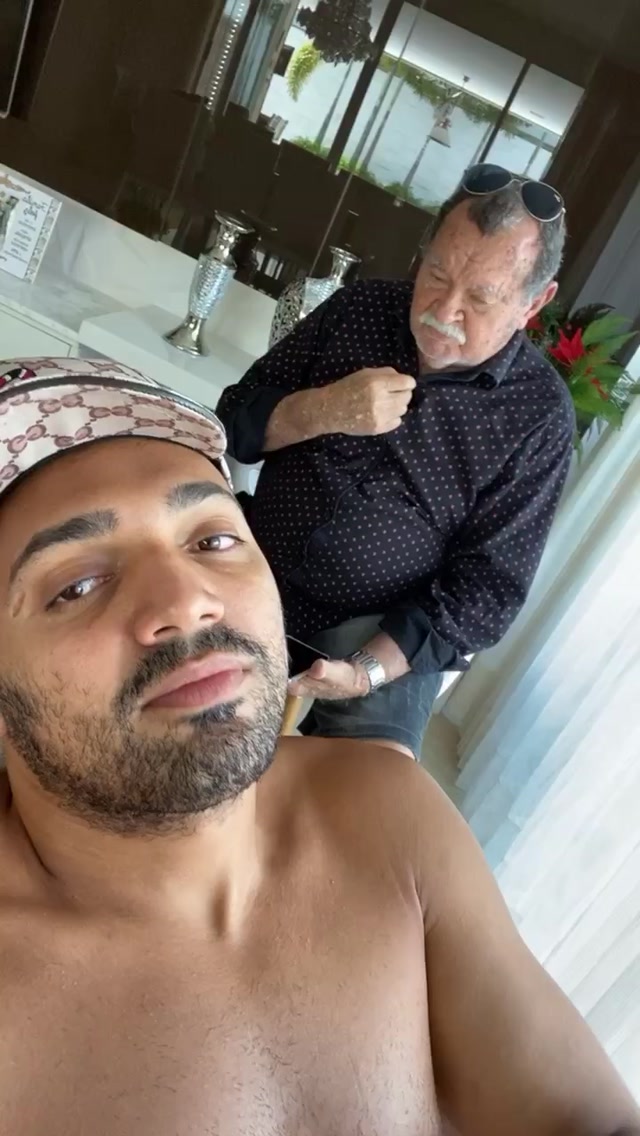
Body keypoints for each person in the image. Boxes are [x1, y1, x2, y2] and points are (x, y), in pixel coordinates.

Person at [0, 358, 638, 1136]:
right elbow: (253, 408)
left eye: (212, 538)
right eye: (74, 586)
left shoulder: (382, 811)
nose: (188, 601)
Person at [217, 164, 575, 759]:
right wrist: (323, 409)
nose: (444, 309)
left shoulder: (537, 415)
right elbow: (233, 420)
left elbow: (485, 592)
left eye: (481, 298)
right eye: (436, 274)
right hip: (254, 562)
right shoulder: (360, 310)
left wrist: (365, 672)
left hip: (379, 630)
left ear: (534, 303)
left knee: (368, 788)